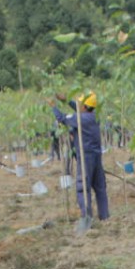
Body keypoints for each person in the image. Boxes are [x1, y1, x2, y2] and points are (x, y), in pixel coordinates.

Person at [52, 92, 110, 221]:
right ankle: (105, 216)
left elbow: (62, 118)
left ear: (85, 106)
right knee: (100, 187)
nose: (78, 105)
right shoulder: (95, 116)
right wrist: (67, 100)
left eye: (80, 104)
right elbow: (80, 112)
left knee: (83, 187)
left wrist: (53, 106)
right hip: (96, 156)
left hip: (86, 158)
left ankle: (87, 218)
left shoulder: (81, 119)